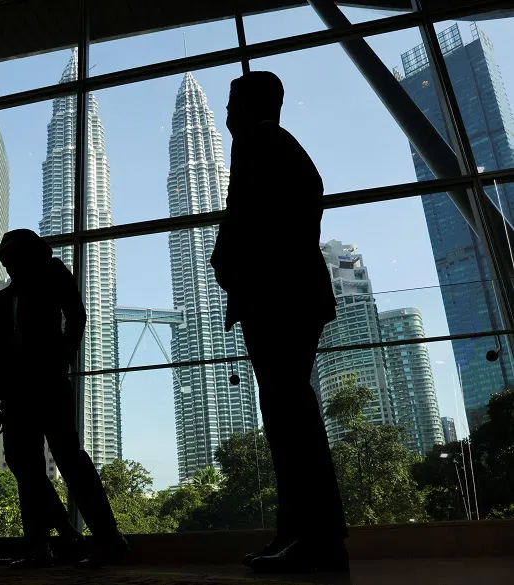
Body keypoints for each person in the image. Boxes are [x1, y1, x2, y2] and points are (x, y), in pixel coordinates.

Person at [210, 71, 348, 574]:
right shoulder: (282, 146)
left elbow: (245, 217)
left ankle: (316, 537)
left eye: (231, 103)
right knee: (290, 416)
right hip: (291, 295)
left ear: (246, 106)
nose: (226, 115)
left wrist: (229, 264)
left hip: (277, 297)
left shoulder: (256, 143)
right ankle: (300, 534)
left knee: (291, 419)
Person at [0, 229, 128, 569]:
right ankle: (42, 544)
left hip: (49, 383)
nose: (5, 264)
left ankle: (108, 539)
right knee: (24, 464)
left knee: (69, 459)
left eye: (9, 256)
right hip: (16, 392)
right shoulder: (2, 300)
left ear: (25, 252)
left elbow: (76, 314)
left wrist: (65, 355)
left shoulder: (52, 273)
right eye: (2, 260)